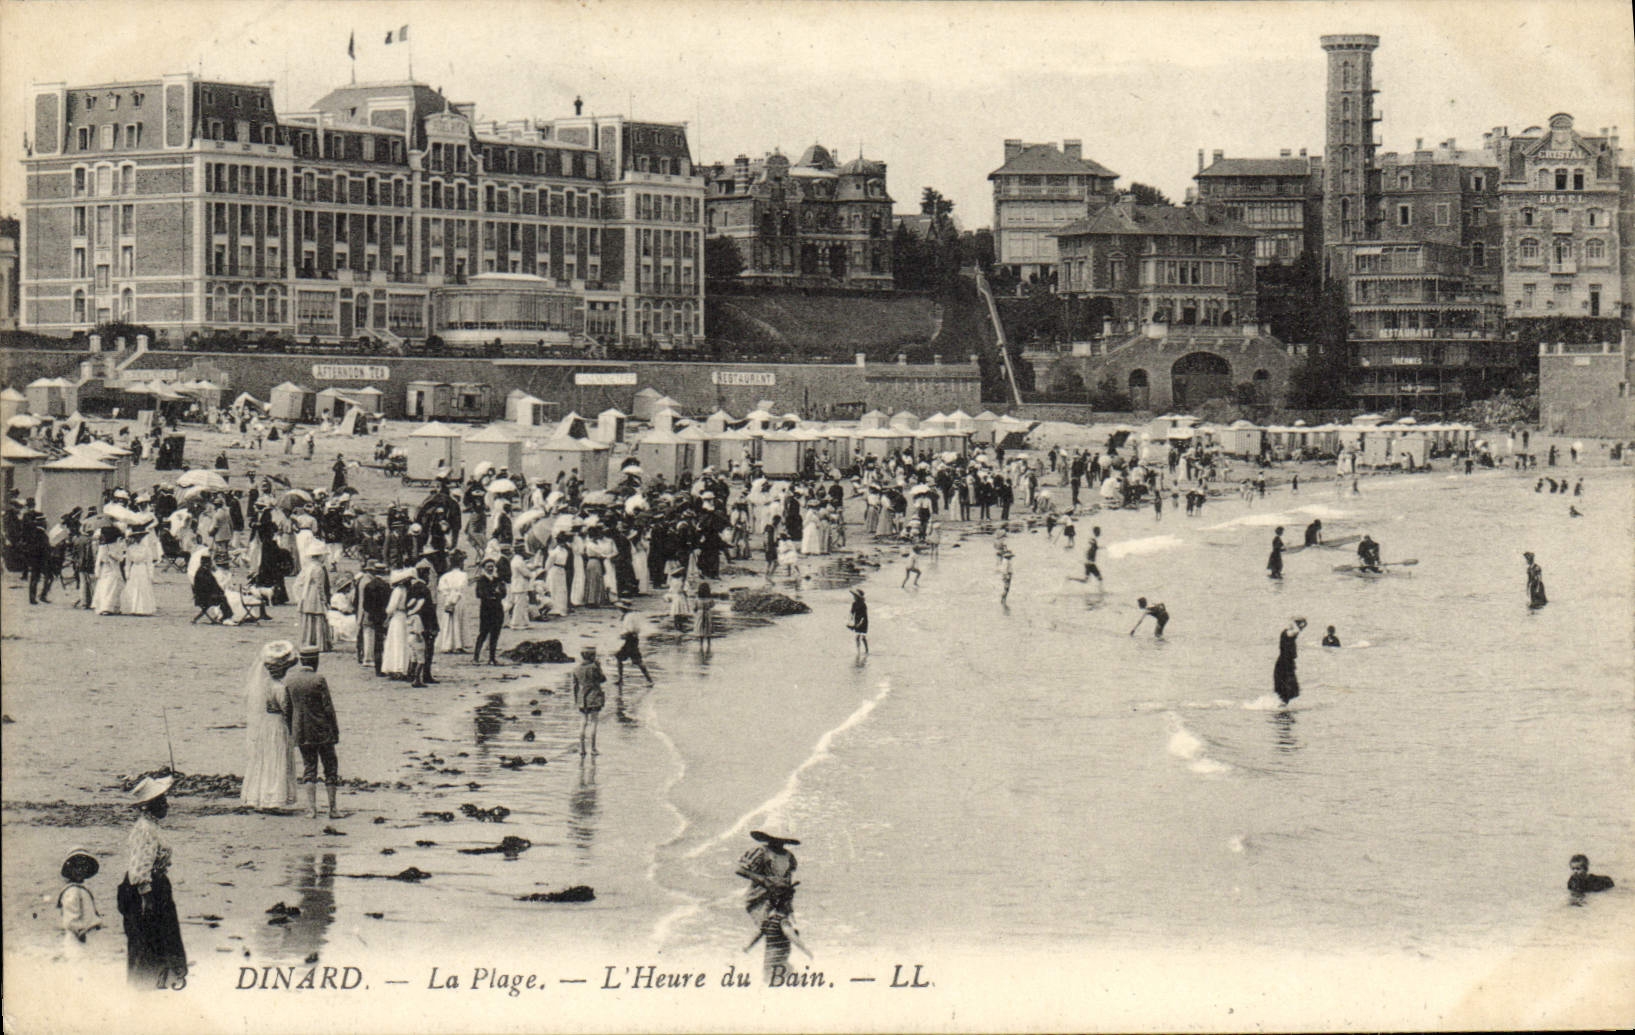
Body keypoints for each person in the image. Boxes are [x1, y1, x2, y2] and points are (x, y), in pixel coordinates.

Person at [119, 775, 186, 989]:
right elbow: (139, 869)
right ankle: (147, 987)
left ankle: (158, 984)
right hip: (146, 891)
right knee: (148, 941)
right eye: (162, 801)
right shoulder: (144, 830)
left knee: (161, 941)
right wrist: (146, 899)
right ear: (150, 806)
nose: (167, 806)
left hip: (156, 887)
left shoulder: (151, 827)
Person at [287, 648, 342, 820]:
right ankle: (333, 809)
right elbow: (328, 708)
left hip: (302, 732)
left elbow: (288, 710)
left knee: (309, 768)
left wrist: (293, 730)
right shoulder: (319, 679)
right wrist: (335, 731)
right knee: (330, 767)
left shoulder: (290, 680)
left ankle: (311, 809)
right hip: (322, 731)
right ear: (315, 661)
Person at [241, 641, 298, 810]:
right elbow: (286, 709)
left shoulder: (262, 684)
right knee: (277, 758)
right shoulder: (280, 688)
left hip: (265, 723)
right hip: (278, 724)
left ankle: (256, 795)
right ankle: (273, 797)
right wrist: (293, 729)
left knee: (263, 759)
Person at [58, 848, 103, 958]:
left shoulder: (81, 889)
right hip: (78, 938)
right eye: (77, 867)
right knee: (78, 964)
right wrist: (79, 931)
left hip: (87, 936)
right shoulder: (72, 891)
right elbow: (71, 916)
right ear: (70, 870)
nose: (81, 870)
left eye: (84, 867)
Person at [571, 646, 607, 757]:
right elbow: (602, 679)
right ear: (591, 656)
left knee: (583, 723)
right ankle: (593, 748)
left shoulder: (576, 669)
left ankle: (582, 749)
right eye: (594, 655)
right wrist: (599, 667)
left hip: (582, 698)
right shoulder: (594, 667)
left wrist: (576, 699)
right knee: (594, 722)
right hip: (594, 697)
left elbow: (575, 686)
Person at [472, 557, 508, 665]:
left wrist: (498, 593)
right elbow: (479, 594)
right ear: (484, 568)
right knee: (483, 633)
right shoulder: (481, 580)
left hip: (497, 609)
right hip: (486, 610)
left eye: (492, 566)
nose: (491, 569)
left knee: (495, 634)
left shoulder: (498, 579)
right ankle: (476, 657)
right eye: (488, 567)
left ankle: (492, 658)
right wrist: (494, 594)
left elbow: (504, 594)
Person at [380, 569, 414, 679]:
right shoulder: (407, 591)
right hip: (404, 616)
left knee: (395, 642)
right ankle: (402, 667)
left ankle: (395, 668)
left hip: (397, 617)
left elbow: (391, 608)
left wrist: (387, 617)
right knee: (402, 642)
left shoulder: (398, 591)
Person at [613, 599, 654, 686]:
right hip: (633, 639)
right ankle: (621, 679)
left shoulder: (629, 617)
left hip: (630, 640)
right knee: (621, 657)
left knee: (636, 660)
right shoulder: (633, 615)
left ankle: (649, 680)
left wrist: (623, 635)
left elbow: (631, 629)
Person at [1274, 617, 1307, 705]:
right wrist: (1296, 622)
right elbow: (1295, 631)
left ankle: (1283, 710)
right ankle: (1282, 709)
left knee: (1291, 690)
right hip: (1283, 665)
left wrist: (1302, 624)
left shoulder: (1291, 634)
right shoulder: (1286, 633)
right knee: (1286, 690)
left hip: (1288, 664)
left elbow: (1297, 631)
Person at [694, 582, 718, 652]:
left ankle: (701, 645)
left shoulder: (697, 599)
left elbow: (695, 607)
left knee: (700, 627)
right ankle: (709, 644)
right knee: (708, 628)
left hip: (700, 614)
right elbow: (713, 605)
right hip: (708, 613)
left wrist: (696, 610)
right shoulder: (710, 599)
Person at [849, 587, 869, 654]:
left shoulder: (863, 605)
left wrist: (860, 623)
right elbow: (852, 613)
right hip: (857, 620)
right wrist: (850, 621)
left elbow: (864, 616)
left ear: (858, 597)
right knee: (857, 637)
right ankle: (858, 651)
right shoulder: (854, 604)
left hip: (864, 621)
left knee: (863, 637)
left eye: (854, 596)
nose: (853, 597)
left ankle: (866, 650)